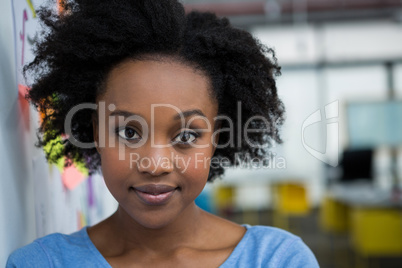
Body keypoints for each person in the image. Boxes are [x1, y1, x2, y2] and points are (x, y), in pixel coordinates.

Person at [7, 0, 319, 267]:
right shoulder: (42, 263)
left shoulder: (277, 260)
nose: (155, 164)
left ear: (216, 137)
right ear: (95, 132)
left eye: (186, 136)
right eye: (129, 132)